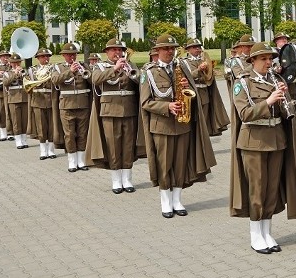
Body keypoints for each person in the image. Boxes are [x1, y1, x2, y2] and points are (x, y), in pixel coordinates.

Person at [229, 42, 296, 253]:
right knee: (257, 190)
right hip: (254, 142)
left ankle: (267, 232)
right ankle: (255, 235)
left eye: (271, 59)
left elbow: (285, 113)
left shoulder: (276, 80)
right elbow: (244, 114)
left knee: (270, 190)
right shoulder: (242, 83)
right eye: (264, 59)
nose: (269, 62)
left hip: (276, 139)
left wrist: (285, 98)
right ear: (252, 61)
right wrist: (269, 101)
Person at [140, 35, 217, 218]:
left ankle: (177, 199)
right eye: (166, 48)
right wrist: (166, 106)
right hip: (162, 126)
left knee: (180, 164)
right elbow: (145, 102)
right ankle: (165, 201)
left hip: (183, 124)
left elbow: (193, 91)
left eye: (172, 48)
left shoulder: (181, 67)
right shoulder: (148, 72)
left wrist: (186, 86)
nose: (170, 51)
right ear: (157, 51)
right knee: (165, 164)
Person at [88, 38, 141, 194]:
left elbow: (141, 80)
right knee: (113, 146)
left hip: (129, 110)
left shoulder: (130, 65)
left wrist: (130, 73)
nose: (117, 52)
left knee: (128, 145)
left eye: (119, 50)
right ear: (107, 52)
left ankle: (128, 179)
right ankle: (116, 180)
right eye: (113, 50)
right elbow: (95, 79)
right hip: (109, 110)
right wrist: (115, 69)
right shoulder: (99, 66)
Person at [52, 43, 92, 173]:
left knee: (82, 134)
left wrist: (84, 71)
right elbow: (55, 80)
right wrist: (70, 72)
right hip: (67, 106)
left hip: (83, 104)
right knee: (69, 134)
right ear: (63, 55)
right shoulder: (58, 68)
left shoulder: (84, 66)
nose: (72, 57)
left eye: (74, 54)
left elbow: (92, 80)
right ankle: (72, 161)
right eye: (69, 55)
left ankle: (81, 160)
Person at [183, 39, 230, 137]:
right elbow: (186, 77)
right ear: (188, 49)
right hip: (192, 95)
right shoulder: (184, 62)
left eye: (199, 47)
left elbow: (208, 78)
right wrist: (198, 70)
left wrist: (211, 72)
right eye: (195, 47)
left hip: (204, 93)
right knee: (192, 120)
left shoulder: (204, 60)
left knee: (203, 121)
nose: (198, 49)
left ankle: (203, 139)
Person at [28, 48, 62, 160]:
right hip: (38, 100)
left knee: (52, 126)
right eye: (43, 56)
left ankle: (51, 150)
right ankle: (43, 150)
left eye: (47, 56)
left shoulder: (54, 69)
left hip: (51, 100)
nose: (45, 58)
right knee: (41, 126)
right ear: (38, 58)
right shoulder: (32, 70)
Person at [2, 53, 29, 149]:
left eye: (18, 62)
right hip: (13, 99)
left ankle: (24, 139)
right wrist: (15, 74)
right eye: (14, 63)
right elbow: (6, 83)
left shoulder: (25, 72)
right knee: (16, 121)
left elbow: (29, 82)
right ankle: (18, 140)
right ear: (10, 63)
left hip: (24, 98)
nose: (16, 64)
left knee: (24, 120)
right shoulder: (7, 73)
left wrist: (23, 74)